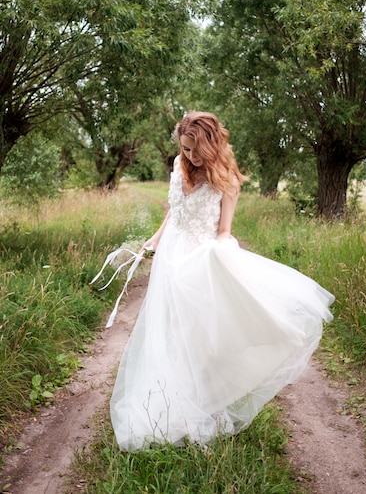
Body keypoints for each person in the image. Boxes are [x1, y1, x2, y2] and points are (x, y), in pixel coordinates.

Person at [109, 111, 335, 451]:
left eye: (196, 149)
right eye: (185, 149)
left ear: (213, 143)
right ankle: (169, 401)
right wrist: (154, 240)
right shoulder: (178, 166)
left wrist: (216, 258)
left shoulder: (226, 179)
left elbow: (224, 232)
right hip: (171, 257)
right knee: (169, 332)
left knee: (200, 338)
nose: (191, 157)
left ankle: (203, 403)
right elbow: (174, 209)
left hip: (201, 262)